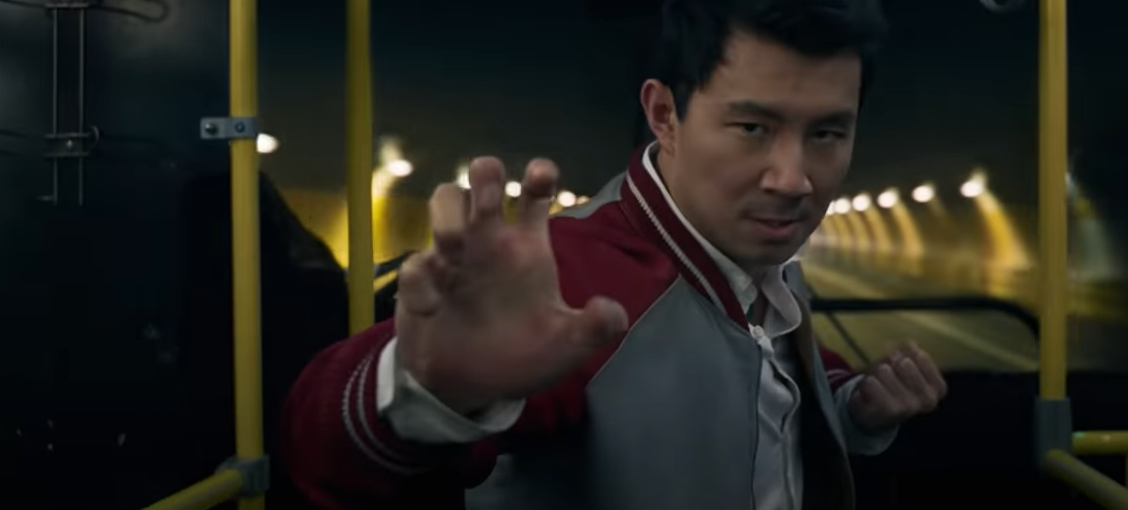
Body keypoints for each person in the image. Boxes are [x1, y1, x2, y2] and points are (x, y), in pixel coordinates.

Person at [281, 0, 948, 509]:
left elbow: (759, 369)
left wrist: (850, 403)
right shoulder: (577, 282)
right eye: (753, 128)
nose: (793, 179)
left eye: (827, 133)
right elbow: (320, 451)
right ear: (664, 116)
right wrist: (427, 390)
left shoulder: (748, 258)